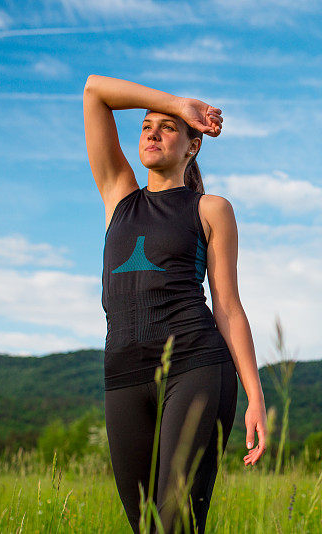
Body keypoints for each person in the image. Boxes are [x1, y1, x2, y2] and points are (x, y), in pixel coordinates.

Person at [83, 74, 268, 533]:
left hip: (195, 363)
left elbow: (228, 306)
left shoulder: (210, 209)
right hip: (123, 370)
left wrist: (255, 394)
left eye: (168, 127)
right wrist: (176, 104)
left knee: (175, 522)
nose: (152, 132)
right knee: (144, 523)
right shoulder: (119, 197)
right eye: (146, 125)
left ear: (192, 145)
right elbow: (94, 92)